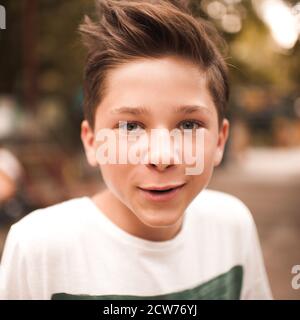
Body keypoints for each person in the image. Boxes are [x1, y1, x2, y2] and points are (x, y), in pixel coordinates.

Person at [0, 0, 272, 300]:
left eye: (189, 125)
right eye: (130, 127)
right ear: (92, 143)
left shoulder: (233, 226)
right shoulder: (38, 247)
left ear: (219, 141)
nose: (162, 157)